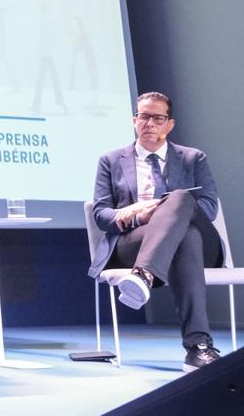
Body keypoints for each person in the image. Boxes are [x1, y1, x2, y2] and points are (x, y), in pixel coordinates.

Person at [90, 91, 223, 371]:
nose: (149, 123)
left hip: (201, 243)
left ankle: (144, 275)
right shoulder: (111, 160)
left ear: (169, 124)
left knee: (181, 199)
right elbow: (101, 214)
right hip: (136, 241)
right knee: (186, 237)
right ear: (134, 120)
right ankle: (199, 347)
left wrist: (155, 205)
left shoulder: (192, 158)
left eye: (157, 117)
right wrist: (137, 215)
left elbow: (209, 208)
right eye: (143, 116)